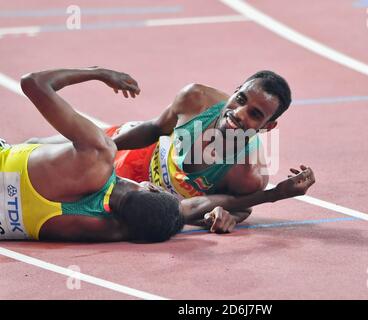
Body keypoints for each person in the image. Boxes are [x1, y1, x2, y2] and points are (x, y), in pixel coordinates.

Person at [1, 67, 315, 242]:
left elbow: (227, 206)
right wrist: (103, 153)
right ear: (233, 91)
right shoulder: (196, 99)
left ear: (268, 126)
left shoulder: (248, 173)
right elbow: (154, 128)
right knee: (34, 145)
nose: (238, 114)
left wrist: (228, 216)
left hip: (142, 200)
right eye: (240, 99)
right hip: (122, 154)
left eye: (255, 114)